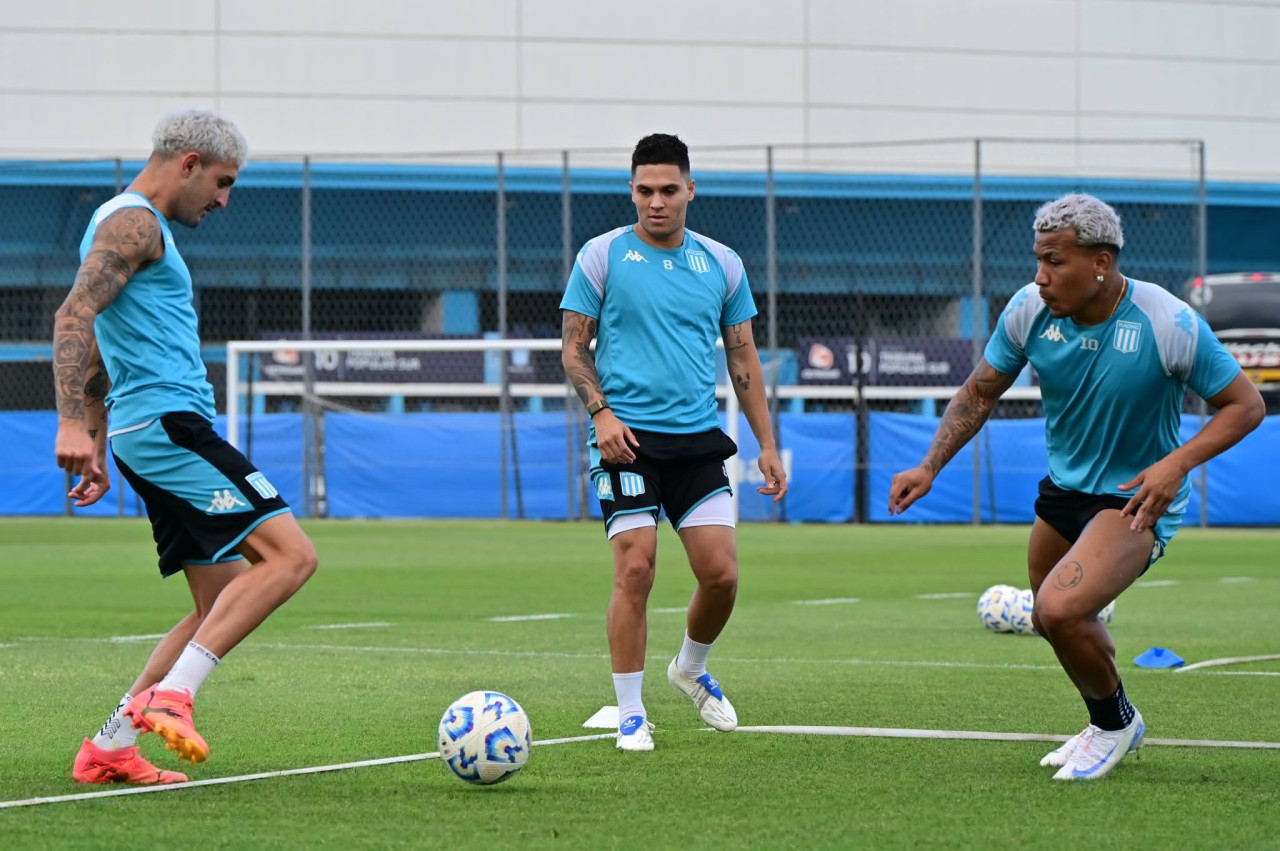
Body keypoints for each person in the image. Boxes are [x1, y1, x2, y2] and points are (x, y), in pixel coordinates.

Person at [889, 193, 1264, 781]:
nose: (1041, 278)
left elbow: (1245, 406)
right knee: (1053, 618)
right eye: (1038, 261)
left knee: (1061, 610)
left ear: (1101, 262)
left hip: (1136, 496)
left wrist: (1175, 466)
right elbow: (979, 393)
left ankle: (1115, 727)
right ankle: (1108, 719)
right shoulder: (1028, 310)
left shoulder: (1167, 321)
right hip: (1063, 491)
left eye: (1055, 263)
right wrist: (929, 466)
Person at [54, 110, 319, 785]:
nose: (224, 199)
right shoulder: (135, 221)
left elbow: (104, 346)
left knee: (218, 600)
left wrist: (99, 430)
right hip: (173, 428)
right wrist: (70, 426)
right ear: (190, 162)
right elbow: (73, 315)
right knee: (292, 556)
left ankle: (111, 744)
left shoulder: (135, 226)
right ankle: (175, 694)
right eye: (223, 182)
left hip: (149, 429)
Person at [560, 134, 787, 752]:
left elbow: (743, 357)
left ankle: (688, 668)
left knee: (721, 576)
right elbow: (574, 347)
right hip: (625, 440)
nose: (655, 202)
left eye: (667, 190)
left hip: (696, 442)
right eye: (643, 191)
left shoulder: (723, 263)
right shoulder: (602, 256)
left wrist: (767, 443)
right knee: (636, 567)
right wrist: (602, 415)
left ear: (690, 190)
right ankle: (631, 712)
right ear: (631, 191)